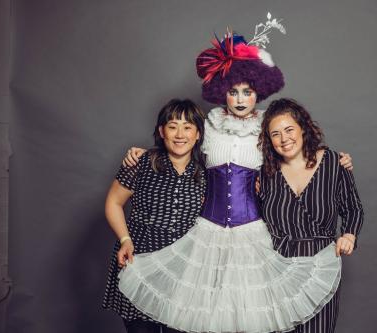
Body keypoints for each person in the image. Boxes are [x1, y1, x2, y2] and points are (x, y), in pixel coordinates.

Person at [116, 31, 355, 333]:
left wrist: (331, 158)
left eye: (247, 91)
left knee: (249, 318)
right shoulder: (209, 126)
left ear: (258, 93)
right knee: (204, 317)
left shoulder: (267, 127)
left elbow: (294, 149)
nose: (240, 99)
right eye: (233, 92)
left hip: (251, 234)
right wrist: (140, 152)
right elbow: (178, 144)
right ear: (221, 93)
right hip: (207, 234)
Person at [258, 98, 364, 333]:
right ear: (269, 140)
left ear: (303, 128)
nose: (284, 139)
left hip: (320, 267)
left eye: (289, 130)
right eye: (275, 134)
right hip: (277, 271)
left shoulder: (334, 163)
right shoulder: (264, 173)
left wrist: (349, 235)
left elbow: (353, 207)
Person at [102, 99, 206, 333]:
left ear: (198, 134)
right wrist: (125, 240)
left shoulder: (205, 172)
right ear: (161, 131)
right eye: (172, 126)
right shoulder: (141, 162)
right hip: (139, 260)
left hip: (182, 270)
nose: (180, 134)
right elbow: (113, 202)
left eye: (188, 127)